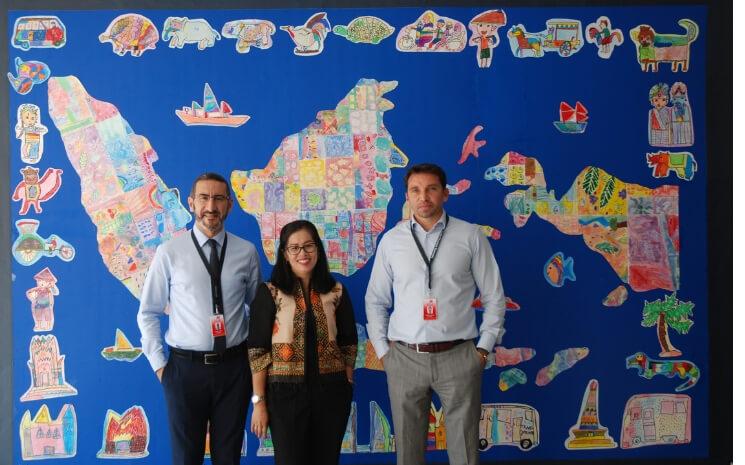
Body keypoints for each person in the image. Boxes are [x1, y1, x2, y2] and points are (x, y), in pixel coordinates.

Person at [365, 163, 506, 465]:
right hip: (404, 358)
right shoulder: (391, 241)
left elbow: (494, 296)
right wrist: (384, 352)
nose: (423, 197)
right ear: (407, 196)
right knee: (408, 453)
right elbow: (375, 300)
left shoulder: (470, 236)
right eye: (415, 190)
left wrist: (483, 349)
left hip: (459, 356)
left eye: (431, 189)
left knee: (465, 452)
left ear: (445, 193)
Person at [137, 172, 261, 465]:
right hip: (184, 371)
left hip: (234, 370)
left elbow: (258, 311)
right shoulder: (169, 252)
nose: (211, 206)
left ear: (229, 204)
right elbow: (148, 311)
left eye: (218, 198)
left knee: (228, 458)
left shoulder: (246, 252)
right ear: (191, 203)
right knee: (185, 459)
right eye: (204, 198)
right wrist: (160, 367)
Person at [248, 220, 357, 465]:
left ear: (318, 249)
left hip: (331, 393)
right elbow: (257, 352)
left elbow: (349, 342)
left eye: (308, 246)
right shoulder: (270, 292)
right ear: (285, 254)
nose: (303, 253)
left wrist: (347, 381)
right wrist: (259, 403)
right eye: (294, 248)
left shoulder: (337, 291)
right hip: (284, 396)